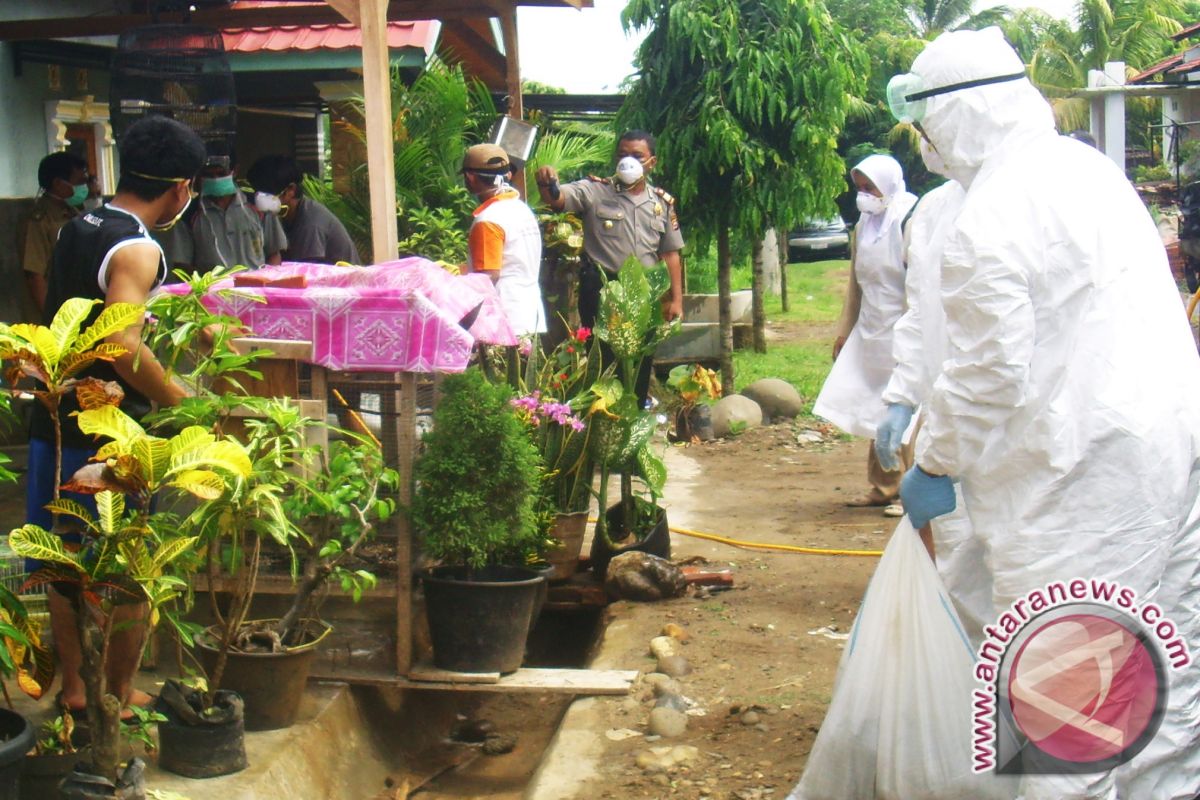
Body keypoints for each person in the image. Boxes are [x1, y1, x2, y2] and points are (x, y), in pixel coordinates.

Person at [890, 27, 1200, 797]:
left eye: (926, 126)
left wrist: (935, 461)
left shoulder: (988, 213)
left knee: (1065, 686)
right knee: (1165, 649)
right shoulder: (1085, 170)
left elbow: (990, 370)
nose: (925, 145)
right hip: (1167, 450)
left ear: (956, 116)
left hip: (1079, 478)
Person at [28, 115, 205, 719]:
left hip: (53, 419)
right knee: (125, 569)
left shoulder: (83, 223)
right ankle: (113, 691)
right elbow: (122, 342)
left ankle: (75, 688)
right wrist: (181, 399)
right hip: (104, 432)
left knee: (64, 560)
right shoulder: (135, 245)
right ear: (181, 187)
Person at [813, 154, 917, 517]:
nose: (864, 195)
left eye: (869, 188)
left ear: (888, 184)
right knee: (877, 406)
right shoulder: (864, 226)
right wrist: (845, 329)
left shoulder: (909, 219)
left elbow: (917, 283)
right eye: (859, 188)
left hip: (904, 329)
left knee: (906, 409)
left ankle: (911, 490)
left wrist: (914, 332)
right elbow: (855, 286)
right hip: (872, 328)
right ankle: (883, 485)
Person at [534, 130, 684, 327]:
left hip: (646, 290)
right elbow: (558, 199)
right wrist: (546, 183)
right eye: (623, 155)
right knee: (603, 356)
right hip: (602, 290)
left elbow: (670, 254)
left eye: (637, 156)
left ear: (652, 162)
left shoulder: (660, 202)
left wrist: (677, 301)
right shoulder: (594, 191)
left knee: (644, 356)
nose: (628, 161)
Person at [461, 143, 546, 338]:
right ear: (508, 175)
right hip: (529, 315)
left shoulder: (488, 220)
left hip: (502, 322)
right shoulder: (522, 210)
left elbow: (487, 276)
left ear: (470, 177)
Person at [181, 153, 288, 273]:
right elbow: (183, 264)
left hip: (255, 288)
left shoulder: (259, 205)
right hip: (213, 289)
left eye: (221, 174)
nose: (215, 179)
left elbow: (274, 254)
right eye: (208, 175)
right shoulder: (189, 213)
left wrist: (268, 283)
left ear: (235, 171)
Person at [245, 155, 358, 264]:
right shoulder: (283, 214)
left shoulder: (311, 225)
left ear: (291, 190)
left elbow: (307, 274)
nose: (259, 200)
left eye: (267, 194)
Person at [20, 152, 89, 316]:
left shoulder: (74, 212)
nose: (83, 188)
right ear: (58, 183)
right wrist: (52, 320)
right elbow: (35, 275)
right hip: (54, 314)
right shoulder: (39, 220)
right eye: (79, 182)